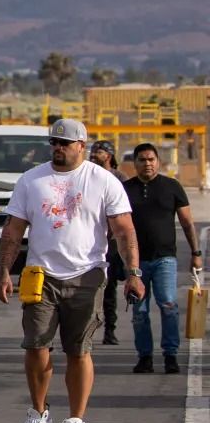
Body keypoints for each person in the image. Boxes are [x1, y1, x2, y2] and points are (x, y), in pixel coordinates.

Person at [0, 118, 140, 423]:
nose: (58, 148)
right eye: (54, 143)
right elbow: (13, 230)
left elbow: (124, 230)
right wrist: (4, 271)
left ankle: (76, 421)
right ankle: (38, 413)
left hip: (87, 274)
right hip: (40, 276)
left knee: (79, 351)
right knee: (36, 346)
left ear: (81, 146)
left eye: (64, 143)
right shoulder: (31, 180)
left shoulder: (103, 180)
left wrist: (134, 272)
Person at [122, 142, 200, 375]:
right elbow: (114, 226)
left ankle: (170, 355)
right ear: (135, 163)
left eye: (151, 159)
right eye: (142, 160)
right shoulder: (125, 189)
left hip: (165, 259)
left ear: (158, 161)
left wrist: (196, 253)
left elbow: (187, 223)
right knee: (139, 312)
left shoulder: (172, 187)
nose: (147, 164)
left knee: (168, 305)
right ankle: (145, 357)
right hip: (136, 263)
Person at [89, 141, 125, 344]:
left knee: (109, 288)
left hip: (111, 243)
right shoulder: (87, 176)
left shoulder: (119, 179)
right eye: (93, 151)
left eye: (99, 151)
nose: (94, 154)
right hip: (90, 240)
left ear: (109, 156)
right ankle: (88, 329)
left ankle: (110, 330)